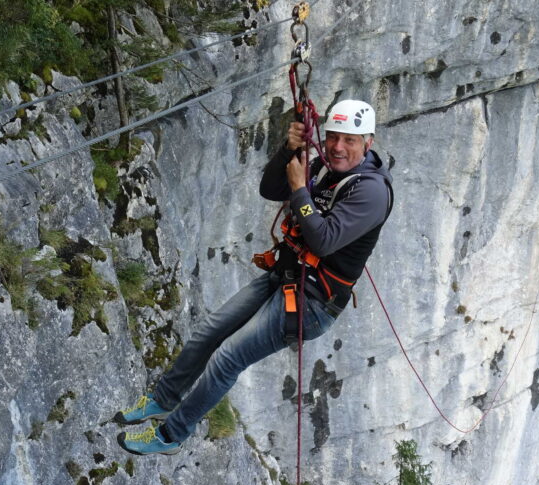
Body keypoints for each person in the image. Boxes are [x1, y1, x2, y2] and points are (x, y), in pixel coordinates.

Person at [114, 99, 393, 455]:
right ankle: (163, 399)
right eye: (333, 137)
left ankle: (170, 436)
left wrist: (300, 189)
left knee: (228, 357)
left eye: (349, 140)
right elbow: (270, 189)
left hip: (313, 302)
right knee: (209, 332)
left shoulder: (371, 191)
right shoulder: (326, 167)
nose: (338, 147)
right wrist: (288, 149)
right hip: (286, 275)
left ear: (368, 142)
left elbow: (323, 241)